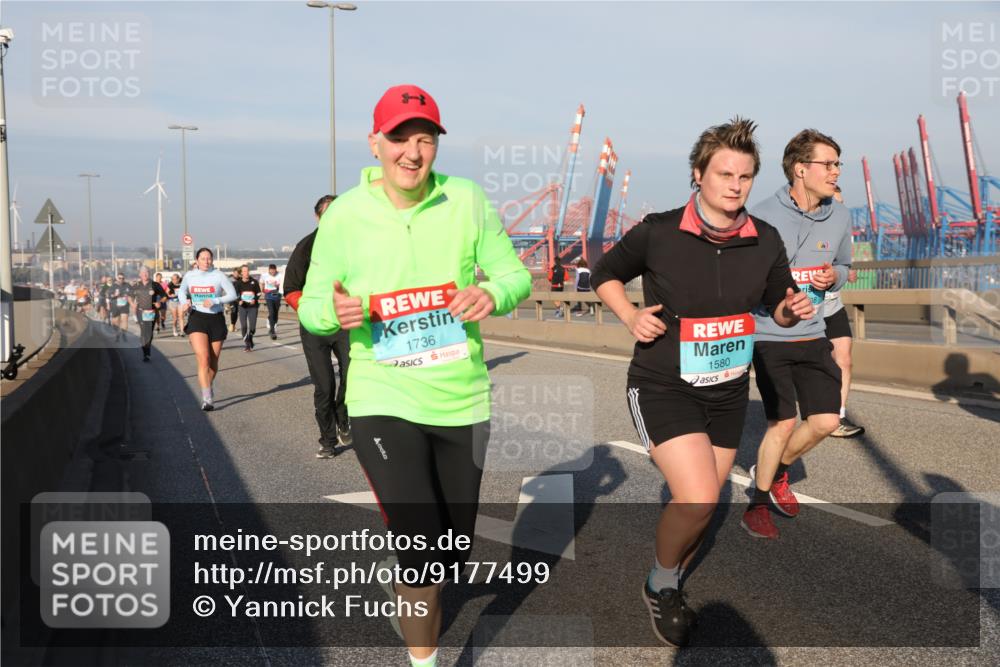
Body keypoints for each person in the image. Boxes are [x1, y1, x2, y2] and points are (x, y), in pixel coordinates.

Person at [297, 84, 531, 667]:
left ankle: (409, 573)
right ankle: (423, 659)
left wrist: (492, 291)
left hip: (461, 400)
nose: (412, 151)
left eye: (424, 139)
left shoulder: (467, 199)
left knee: (452, 555)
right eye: (399, 137)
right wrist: (336, 311)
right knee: (424, 552)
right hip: (383, 393)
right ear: (375, 142)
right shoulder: (347, 214)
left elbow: (515, 275)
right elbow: (312, 305)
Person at [591, 117, 815, 647]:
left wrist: (790, 307)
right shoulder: (660, 230)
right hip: (662, 383)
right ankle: (661, 585)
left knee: (706, 502)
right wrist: (630, 316)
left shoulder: (766, 239)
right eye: (724, 173)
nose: (735, 185)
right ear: (699, 175)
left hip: (729, 390)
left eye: (745, 176)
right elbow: (604, 271)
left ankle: (669, 573)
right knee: (694, 498)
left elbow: (779, 306)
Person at [743, 129, 854, 540]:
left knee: (826, 420)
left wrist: (834, 276)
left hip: (814, 330)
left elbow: (846, 266)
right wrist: (778, 302)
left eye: (838, 164)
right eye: (828, 164)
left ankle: (774, 472)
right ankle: (757, 503)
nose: (836, 172)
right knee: (783, 422)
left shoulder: (841, 215)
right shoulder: (762, 216)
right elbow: (744, 279)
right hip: (770, 333)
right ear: (799, 169)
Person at [283, 195, 353, 458]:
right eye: (329, 213)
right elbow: (290, 288)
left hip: (343, 323)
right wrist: (311, 311)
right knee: (325, 386)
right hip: (314, 327)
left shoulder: (352, 243)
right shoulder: (306, 246)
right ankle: (327, 439)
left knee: (353, 377)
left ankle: (343, 415)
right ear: (318, 217)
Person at [825, 187, 865, 437]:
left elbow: (843, 264)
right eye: (834, 203)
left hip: (833, 306)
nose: (839, 209)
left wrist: (843, 273)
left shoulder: (842, 233)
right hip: (808, 310)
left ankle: (837, 418)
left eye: (842, 203)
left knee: (845, 359)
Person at [178, 248, 237, 410]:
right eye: (203, 259)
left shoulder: (218, 275)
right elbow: (182, 291)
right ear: (196, 260)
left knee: (213, 362)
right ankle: (207, 398)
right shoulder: (190, 276)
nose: (206, 261)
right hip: (197, 318)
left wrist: (215, 300)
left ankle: (207, 386)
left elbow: (233, 294)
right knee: (203, 358)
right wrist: (185, 302)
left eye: (209, 258)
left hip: (216, 319)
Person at [132, 267, 166, 362]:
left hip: (152, 312)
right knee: (143, 332)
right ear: (140, 275)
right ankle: (145, 353)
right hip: (141, 311)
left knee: (149, 332)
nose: (145, 274)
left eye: (146, 272)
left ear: (149, 274)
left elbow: (164, 296)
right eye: (143, 273)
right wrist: (132, 304)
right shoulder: (136, 285)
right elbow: (129, 296)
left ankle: (148, 347)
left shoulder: (155, 285)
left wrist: (159, 301)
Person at [233, 265, 261, 351]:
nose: (247, 273)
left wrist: (255, 299)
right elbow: (235, 294)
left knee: (252, 327)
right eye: (244, 271)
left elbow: (259, 293)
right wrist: (239, 301)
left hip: (253, 307)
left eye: (248, 271)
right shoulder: (238, 283)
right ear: (241, 273)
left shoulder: (254, 282)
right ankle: (247, 344)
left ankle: (250, 337)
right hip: (243, 307)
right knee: (244, 326)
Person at [261, 264, 283, 340]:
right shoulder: (264, 275)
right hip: (268, 296)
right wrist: (262, 291)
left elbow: (282, 285)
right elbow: (261, 282)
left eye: (274, 270)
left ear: (276, 270)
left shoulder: (280, 275)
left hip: (277, 296)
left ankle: (270, 322)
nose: (273, 272)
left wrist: (277, 285)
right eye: (271, 270)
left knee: (275, 315)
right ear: (269, 270)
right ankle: (273, 332)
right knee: (272, 312)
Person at [109, 273, 132, 342]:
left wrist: (129, 297)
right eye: (120, 278)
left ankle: (124, 334)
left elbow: (132, 294)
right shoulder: (113, 286)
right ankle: (117, 334)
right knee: (115, 323)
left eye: (123, 278)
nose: (121, 279)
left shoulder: (127, 285)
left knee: (124, 320)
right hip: (115, 306)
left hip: (125, 306)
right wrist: (114, 295)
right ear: (117, 278)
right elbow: (109, 295)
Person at [226, 267, 241, 333]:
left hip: (239, 298)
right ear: (233, 273)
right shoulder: (229, 279)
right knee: (234, 311)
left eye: (237, 273)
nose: (236, 275)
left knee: (236, 312)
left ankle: (233, 325)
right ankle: (232, 325)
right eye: (235, 273)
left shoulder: (241, 280)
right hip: (231, 298)